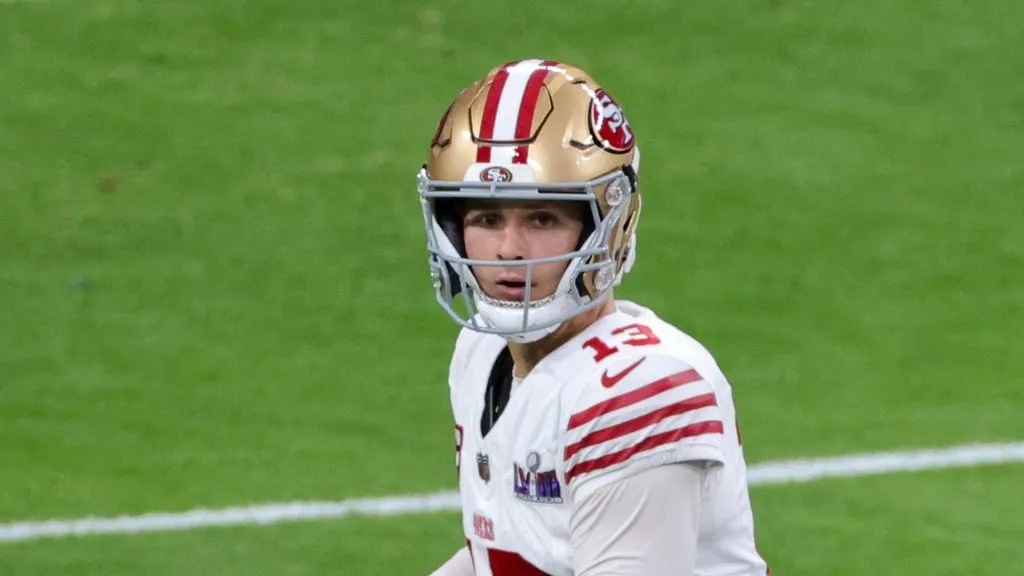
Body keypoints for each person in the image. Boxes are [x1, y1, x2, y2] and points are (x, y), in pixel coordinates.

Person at [419, 59, 771, 576]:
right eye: (486, 218)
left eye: (542, 218)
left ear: (606, 228)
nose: (509, 250)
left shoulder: (641, 389)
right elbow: (497, 560)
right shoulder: (482, 353)